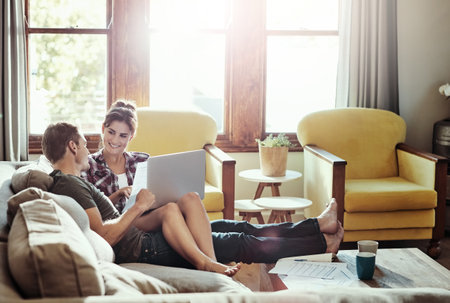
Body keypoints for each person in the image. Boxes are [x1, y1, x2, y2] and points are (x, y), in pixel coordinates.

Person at [80, 101, 344, 263]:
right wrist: (120, 196)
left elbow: (163, 190)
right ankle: (320, 244)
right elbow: (100, 215)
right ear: (103, 129)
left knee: (242, 226)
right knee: (238, 240)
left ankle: (319, 224)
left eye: (123, 135)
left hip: (164, 216)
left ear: (131, 137)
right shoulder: (89, 166)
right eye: (111, 132)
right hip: (135, 226)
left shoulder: (141, 160)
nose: (115, 140)